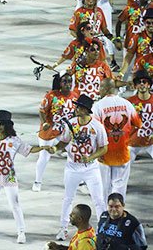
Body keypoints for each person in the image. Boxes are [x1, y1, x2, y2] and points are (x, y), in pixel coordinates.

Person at [0, 110, 51, 245]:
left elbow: (29, 149)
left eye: (2, 124)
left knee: (15, 204)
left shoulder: (14, 141)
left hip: (9, 176)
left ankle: (21, 231)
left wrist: (43, 147)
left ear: (8, 125)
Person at [54, 94, 108, 242]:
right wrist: (55, 148)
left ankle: (103, 230)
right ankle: (63, 228)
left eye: (78, 107)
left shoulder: (97, 126)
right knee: (68, 198)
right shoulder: (70, 124)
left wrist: (90, 157)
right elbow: (63, 142)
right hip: (72, 167)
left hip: (91, 168)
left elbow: (104, 148)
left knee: (98, 199)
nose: (76, 109)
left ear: (85, 110)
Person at [91, 79, 141, 202]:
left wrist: (95, 151)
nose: (98, 90)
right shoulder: (127, 104)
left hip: (104, 154)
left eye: (100, 87)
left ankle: (105, 212)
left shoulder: (98, 106)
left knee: (104, 189)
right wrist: (126, 137)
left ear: (105, 89)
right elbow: (138, 124)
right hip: (122, 153)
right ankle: (119, 211)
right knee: (120, 189)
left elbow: (94, 132)